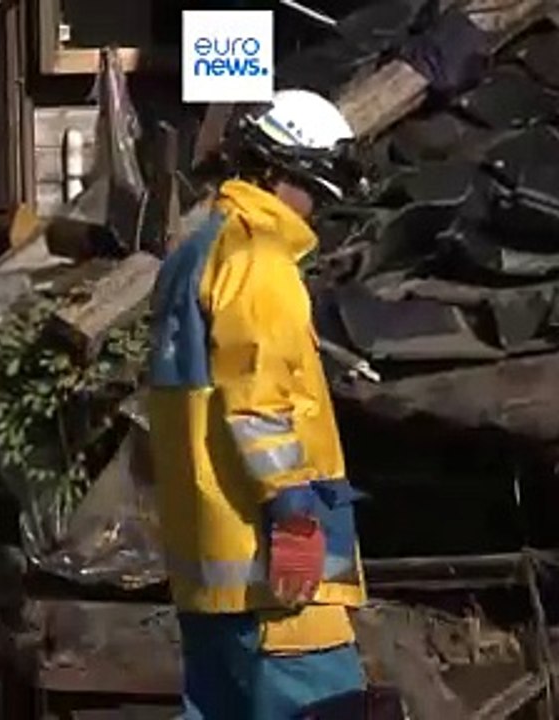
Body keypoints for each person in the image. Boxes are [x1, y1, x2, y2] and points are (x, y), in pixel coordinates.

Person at [146, 89, 370, 719]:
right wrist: (294, 512)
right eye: (315, 191)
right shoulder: (260, 261)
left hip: (213, 579)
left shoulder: (192, 256)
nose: (319, 209)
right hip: (278, 584)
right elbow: (259, 405)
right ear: (279, 173)